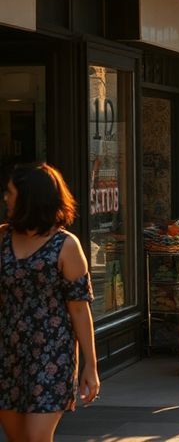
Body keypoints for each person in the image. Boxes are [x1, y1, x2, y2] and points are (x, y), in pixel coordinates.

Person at [0, 164, 99, 441]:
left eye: (10, 192)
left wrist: (90, 366)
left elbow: (79, 309)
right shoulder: (2, 237)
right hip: (8, 353)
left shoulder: (65, 245)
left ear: (29, 197)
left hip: (52, 353)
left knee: (36, 437)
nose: (5, 198)